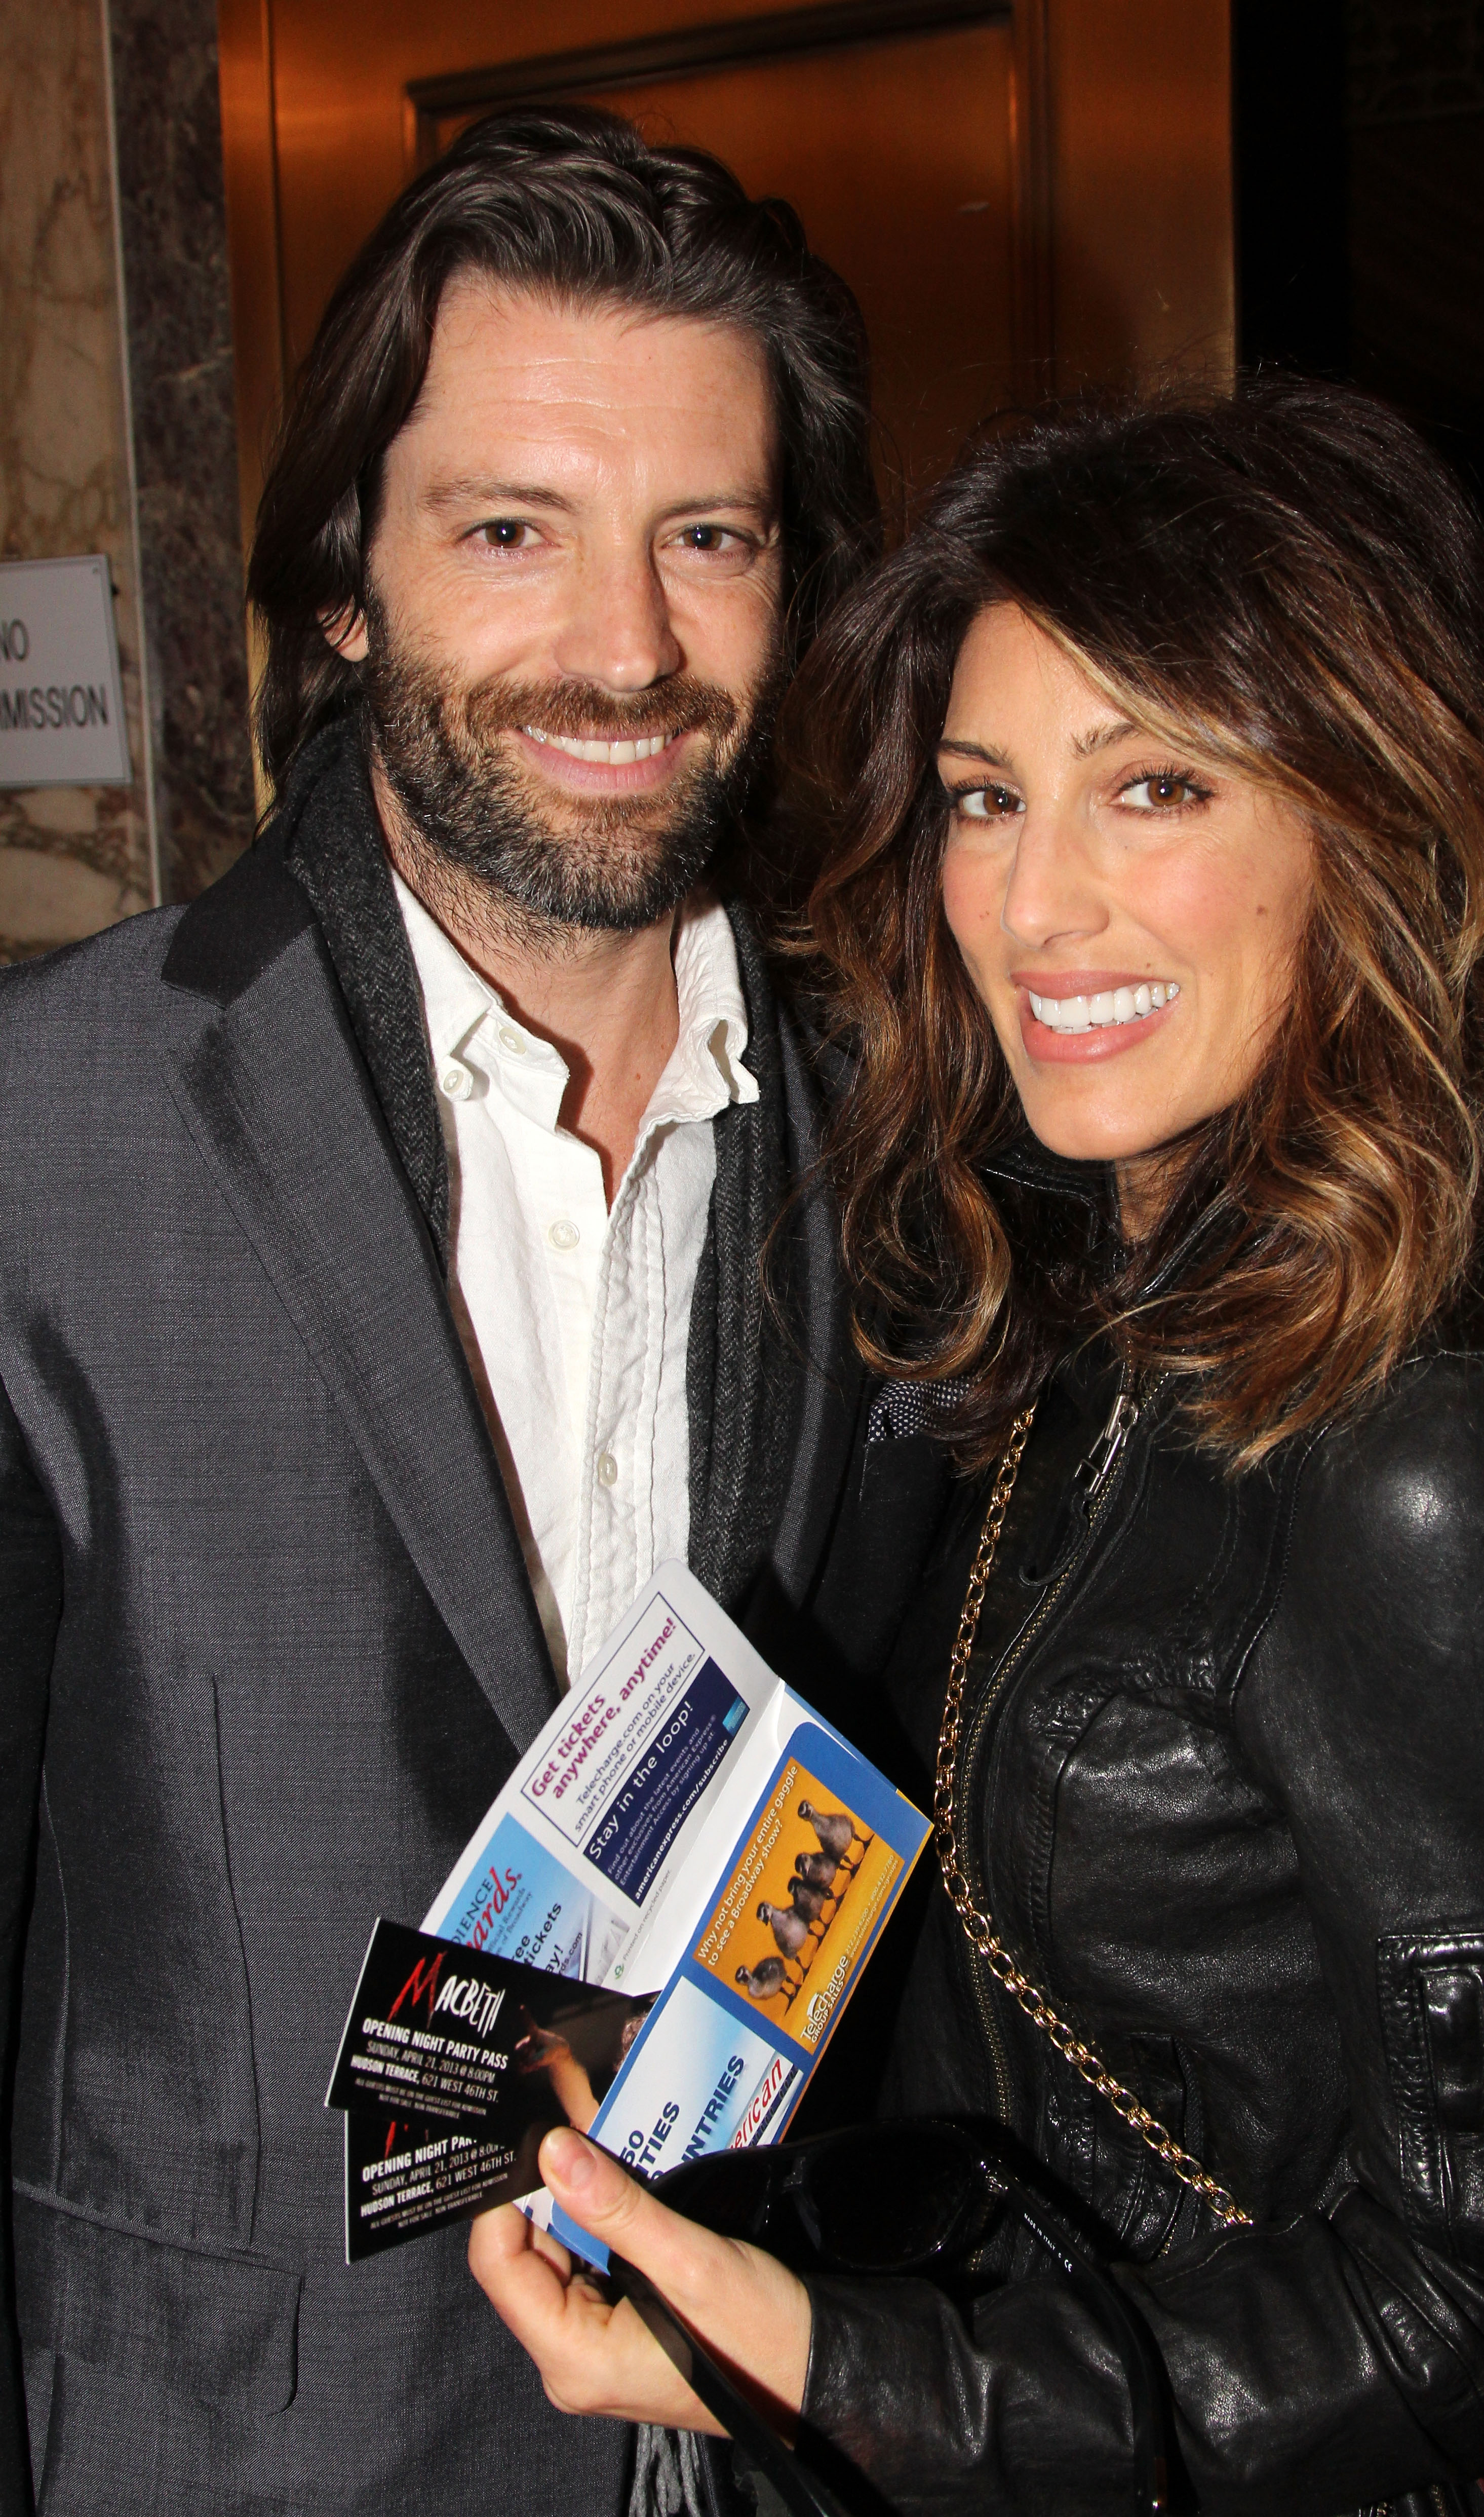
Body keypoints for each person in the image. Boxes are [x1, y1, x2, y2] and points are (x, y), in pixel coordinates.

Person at [468, 379, 1484, 2515]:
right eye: (979, 797)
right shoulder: (1081, 1322)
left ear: (1373, 821)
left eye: (1152, 788)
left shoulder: (1438, 1471)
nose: (1036, 907)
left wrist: (844, 2374)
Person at [0, 108, 946, 2515]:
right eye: (511, 531)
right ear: (344, 586)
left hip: (774, 2432)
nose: (625, 649)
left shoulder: (925, 1130)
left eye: (707, 539)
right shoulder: (54, 1136)